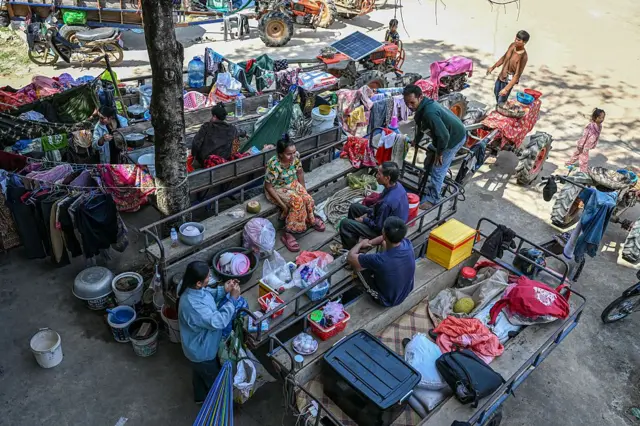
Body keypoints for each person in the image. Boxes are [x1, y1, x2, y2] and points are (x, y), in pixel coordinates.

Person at [177, 261, 241, 404]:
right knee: (214, 379)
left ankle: (200, 397)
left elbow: (207, 295)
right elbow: (219, 321)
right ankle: (218, 404)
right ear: (198, 283)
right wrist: (233, 300)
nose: (210, 276)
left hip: (194, 349)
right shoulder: (193, 306)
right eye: (207, 276)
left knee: (199, 374)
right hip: (202, 351)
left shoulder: (190, 286)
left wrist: (224, 289)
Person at [403, 84, 466, 209]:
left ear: (420, 97)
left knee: (438, 168)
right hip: (443, 137)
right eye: (406, 103)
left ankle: (432, 199)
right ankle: (428, 179)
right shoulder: (421, 109)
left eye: (412, 102)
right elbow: (421, 126)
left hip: (453, 138)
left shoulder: (429, 112)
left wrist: (439, 153)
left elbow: (444, 137)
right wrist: (416, 140)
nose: (409, 106)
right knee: (430, 158)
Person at [264, 134, 325, 252]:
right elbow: (268, 187)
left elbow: (300, 173)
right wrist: (283, 206)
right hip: (277, 188)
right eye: (289, 154)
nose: (293, 156)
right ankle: (288, 233)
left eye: (294, 152)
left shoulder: (295, 158)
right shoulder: (273, 165)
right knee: (297, 202)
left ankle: (310, 220)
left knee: (307, 199)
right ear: (281, 154)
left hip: (292, 183)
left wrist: (304, 191)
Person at [347, 216, 415, 307]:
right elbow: (384, 239)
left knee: (357, 267)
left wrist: (360, 243)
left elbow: (350, 257)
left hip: (388, 300)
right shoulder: (407, 243)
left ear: (384, 233)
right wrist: (370, 242)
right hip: (406, 290)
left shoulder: (380, 259)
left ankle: (362, 285)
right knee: (383, 244)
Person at [340, 162, 408, 249]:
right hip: (386, 218)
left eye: (379, 174)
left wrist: (364, 220)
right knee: (354, 207)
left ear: (387, 178)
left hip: (386, 232)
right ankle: (352, 239)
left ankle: (351, 250)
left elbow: (378, 227)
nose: (376, 175)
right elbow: (378, 209)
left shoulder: (387, 203)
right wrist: (369, 214)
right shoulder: (397, 185)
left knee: (345, 223)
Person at [191, 103, 247, 168]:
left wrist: (194, 156)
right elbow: (240, 132)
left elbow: (195, 143)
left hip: (207, 161)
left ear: (214, 116)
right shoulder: (231, 129)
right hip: (223, 159)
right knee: (235, 142)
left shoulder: (206, 127)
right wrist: (245, 134)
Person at [487, 30, 530, 105]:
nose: (516, 41)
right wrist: (493, 67)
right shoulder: (512, 45)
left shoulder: (523, 57)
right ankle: (501, 106)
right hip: (502, 75)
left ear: (524, 42)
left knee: (501, 99)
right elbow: (504, 57)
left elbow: (517, 75)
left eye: (518, 40)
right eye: (516, 38)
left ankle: (500, 109)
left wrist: (506, 89)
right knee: (496, 91)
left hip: (509, 80)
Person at [566, 108, 606, 172]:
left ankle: (569, 163)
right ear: (595, 117)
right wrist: (582, 145)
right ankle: (583, 170)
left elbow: (596, 136)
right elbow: (585, 135)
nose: (602, 119)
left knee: (577, 154)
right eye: (600, 118)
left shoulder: (600, 126)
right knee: (584, 158)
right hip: (584, 144)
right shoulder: (590, 126)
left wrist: (594, 144)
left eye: (603, 118)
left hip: (588, 144)